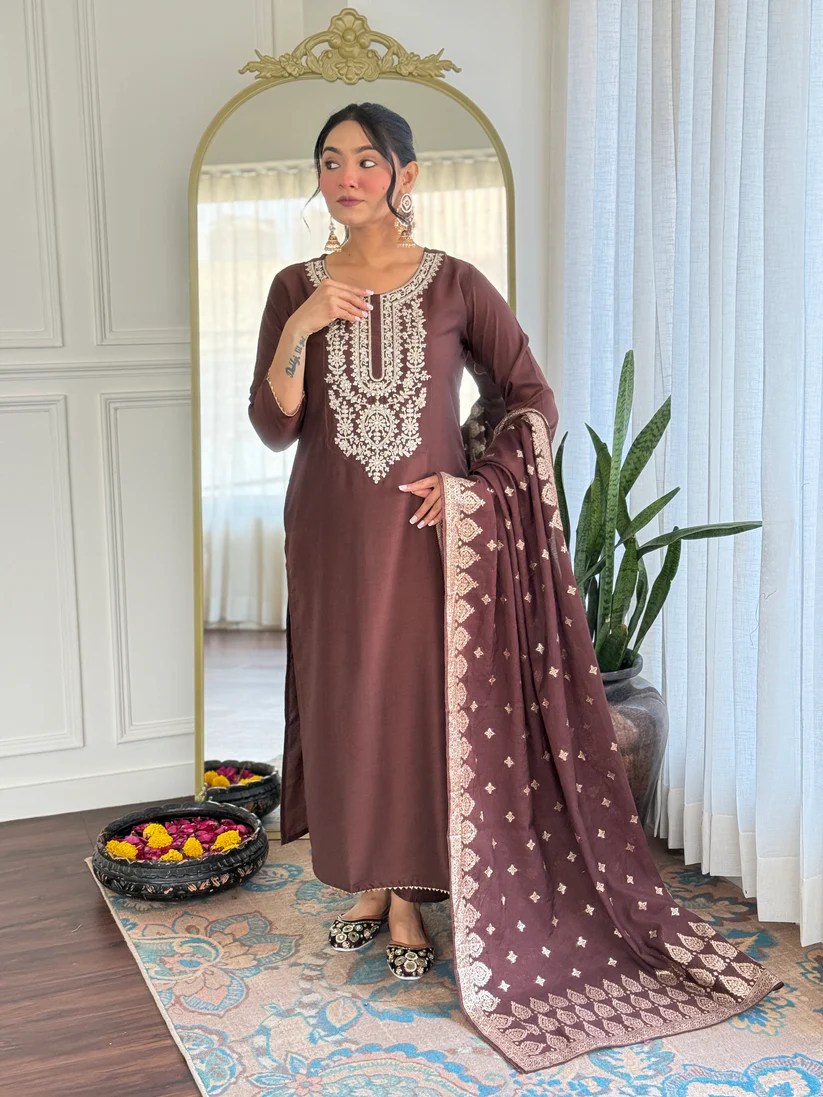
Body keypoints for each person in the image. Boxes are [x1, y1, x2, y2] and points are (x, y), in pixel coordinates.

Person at [249, 102, 780, 1069]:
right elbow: (274, 424)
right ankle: (366, 880)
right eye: (329, 160)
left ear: (405, 174)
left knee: (413, 704)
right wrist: (302, 324)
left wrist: (478, 488)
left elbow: (529, 396)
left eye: (366, 159)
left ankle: (409, 898)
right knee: (343, 698)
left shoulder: (456, 283)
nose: (346, 177)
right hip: (325, 530)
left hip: (428, 540)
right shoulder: (295, 287)